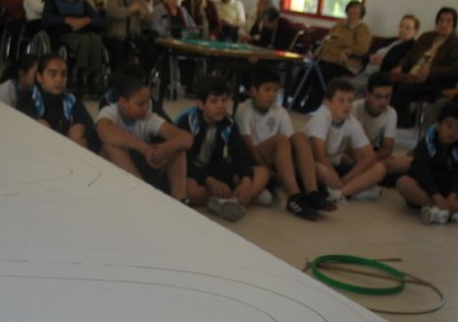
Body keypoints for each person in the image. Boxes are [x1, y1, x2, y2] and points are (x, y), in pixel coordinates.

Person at [173, 75, 271, 221]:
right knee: (190, 191)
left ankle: (232, 200)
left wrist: (246, 179)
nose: (221, 106)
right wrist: (209, 180)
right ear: (200, 104)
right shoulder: (188, 121)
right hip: (191, 171)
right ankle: (241, 198)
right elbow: (183, 160)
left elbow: (240, 152)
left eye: (224, 100)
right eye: (214, 101)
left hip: (215, 169)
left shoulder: (228, 122)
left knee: (263, 172)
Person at [236, 65, 325, 220]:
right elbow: (249, 146)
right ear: (254, 91)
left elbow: (292, 144)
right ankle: (294, 195)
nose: (272, 95)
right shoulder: (244, 109)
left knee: (299, 136)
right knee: (281, 139)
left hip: (277, 163)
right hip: (256, 162)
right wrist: (271, 174)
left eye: (275, 90)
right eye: (267, 90)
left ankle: (312, 192)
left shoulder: (280, 111)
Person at [396, 101, 458, 227]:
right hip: (427, 190)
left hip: (450, 190)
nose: (453, 132)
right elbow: (422, 173)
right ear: (439, 125)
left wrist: (454, 194)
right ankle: (450, 211)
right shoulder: (426, 143)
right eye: (449, 126)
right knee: (403, 182)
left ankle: (444, 212)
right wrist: (436, 196)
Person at [96, 73, 193, 201]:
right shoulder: (110, 112)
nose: (146, 108)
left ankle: (180, 201)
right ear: (122, 102)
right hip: (113, 173)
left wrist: (167, 147)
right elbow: (104, 132)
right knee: (111, 145)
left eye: (147, 102)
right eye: (140, 104)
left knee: (178, 149)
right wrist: (143, 148)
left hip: (143, 168)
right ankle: (143, 196)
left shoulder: (148, 117)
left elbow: (187, 138)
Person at [305, 78, 387, 203]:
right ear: (328, 103)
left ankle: (340, 193)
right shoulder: (322, 116)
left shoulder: (351, 121)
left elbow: (370, 157)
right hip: (317, 166)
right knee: (319, 168)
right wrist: (340, 179)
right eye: (341, 100)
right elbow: (319, 155)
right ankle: (354, 191)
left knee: (380, 168)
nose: (347, 105)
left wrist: (345, 180)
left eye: (350, 101)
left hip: (337, 167)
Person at [390, 7, 458, 127]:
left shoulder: (457, 43)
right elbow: (410, 55)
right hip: (412, 73)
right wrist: (401, 66)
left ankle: (400, 121)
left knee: (404, 88)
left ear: (454, 24)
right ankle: (389, 116)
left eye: (448, 21)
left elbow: (456, 68)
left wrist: (431, 70)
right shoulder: (426, 37)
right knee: (389, 80)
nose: (444, 24)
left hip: (432, 80)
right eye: (441, 20)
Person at [16, 53, 99, 150]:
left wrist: (80, 130)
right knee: (41, 126)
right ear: (39, 77)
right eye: (53, 74)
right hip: (36, 152)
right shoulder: (27, 100)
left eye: (63, 74)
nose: (59, 79)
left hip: (67, 152)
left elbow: (90, 128)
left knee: (78, 132)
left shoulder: (71, 101)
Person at [42, 0, 106, 96]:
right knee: (84, 40)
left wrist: (87, 20)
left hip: (83, 32)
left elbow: (100, 20)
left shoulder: (84, 4)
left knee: (96, 39)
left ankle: (94, 75)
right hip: (64, 34)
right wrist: (66, 20)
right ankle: (80, 76)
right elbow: (46, 18)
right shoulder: (53, 2)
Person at [351, 72, 411, 176]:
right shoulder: (354, 108)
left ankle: (366, 172)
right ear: (368, 94)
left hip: (371, 154)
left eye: (387, 97)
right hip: (353, 154)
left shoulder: (391, 113)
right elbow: (346, 145)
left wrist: (368, 161)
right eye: (378, 96)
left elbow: (387, 150)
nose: (383, 102)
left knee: (406, 163)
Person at [351, 14, 419, 91]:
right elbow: (367, 55)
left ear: (415, 31)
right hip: (365, 70)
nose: (403, 30)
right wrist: (370, 57)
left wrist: (382, 61)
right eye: (401, 26)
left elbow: (400, 65)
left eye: (408, 28)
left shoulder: (412, 47)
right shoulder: (390, 40)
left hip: (378, 77)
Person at [105, 0, 154, 70]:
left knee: (151, 53)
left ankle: (143, 75)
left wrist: (144, 14)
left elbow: (151, 20)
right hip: (118, 37)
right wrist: (131, 10)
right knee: (118, 52)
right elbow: (114, 13)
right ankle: (117, 74)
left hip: (135, 37)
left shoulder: (139, 0)